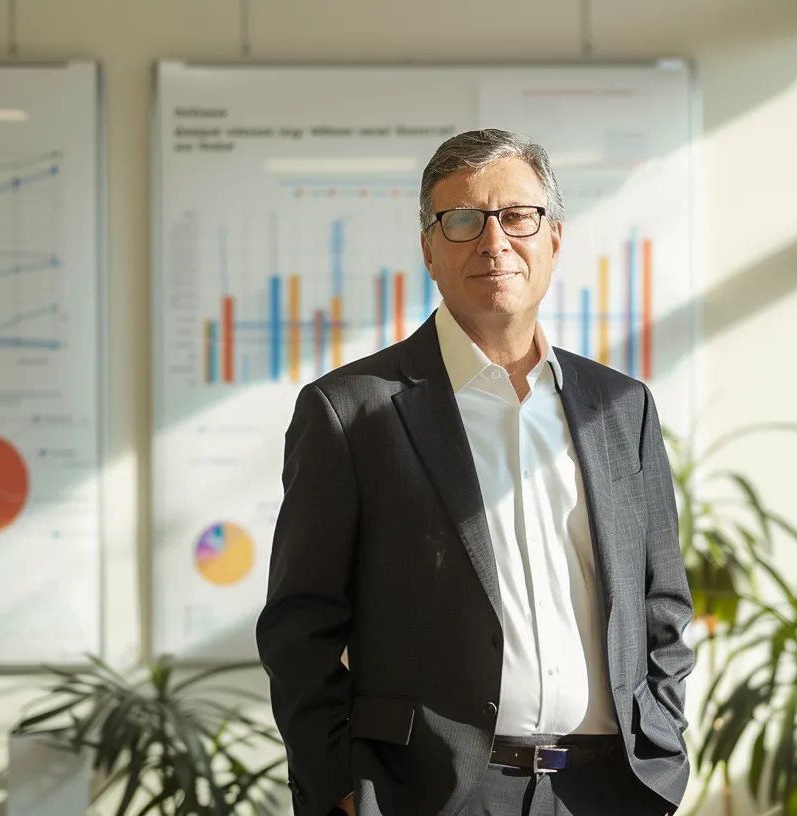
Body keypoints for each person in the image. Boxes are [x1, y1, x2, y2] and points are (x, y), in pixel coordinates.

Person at [256, 128, 695, 816]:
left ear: (553, 238)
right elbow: (298, 626)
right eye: (461, 220)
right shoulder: (351, 412)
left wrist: (663, 751)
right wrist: (339, 788)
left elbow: (661, 604)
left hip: (608, 790)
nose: (494, 242)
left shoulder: (620, 407)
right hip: (433, 795)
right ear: (429, 248)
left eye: (517, 216)